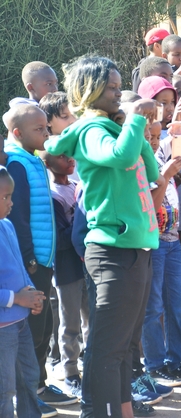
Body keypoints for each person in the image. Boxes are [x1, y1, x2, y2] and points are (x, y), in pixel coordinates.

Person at [45, 55, 160, 418]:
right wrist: (137, 118)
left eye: (117, 86)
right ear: (90, 90)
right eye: (110, 88)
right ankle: (97, 412)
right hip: (111, 251)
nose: (117, 92)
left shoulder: (113, 126)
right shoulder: (92, 129)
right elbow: (120, 157)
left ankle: (123, 411)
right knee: (107, 347)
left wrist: (132, 123)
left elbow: (150, 166)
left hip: (135, 249)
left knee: (125, 345)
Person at [3, 105, 77, 414]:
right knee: (31, 332)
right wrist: (31, 260)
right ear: (18, 133)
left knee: (41, 328)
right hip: (31, 264)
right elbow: (18, 216)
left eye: (47, 128)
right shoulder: (17, 165)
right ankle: (27, 394)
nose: (46, 134)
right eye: (40, 130)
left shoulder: (34, 160)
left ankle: (37, 389)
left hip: (42, 260)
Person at [141, 119, 181, 388]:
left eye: (157, 135)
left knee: (176, 304)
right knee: (154, 307)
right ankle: (155, 365)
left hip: (172, 240)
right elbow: (150, 210)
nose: (154, 140)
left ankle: (176, 361)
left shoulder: (159, 156)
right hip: (153, 244)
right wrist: (165, 176)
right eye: (148, 135)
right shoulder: (137, 166)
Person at [40, 150, 89, 399]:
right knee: (70, 323)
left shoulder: (79, 186)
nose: (70, 160)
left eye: (71, 156)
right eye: (62, 157)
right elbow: (61, 238)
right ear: (47, 163)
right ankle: (71, 374)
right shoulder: (51, 196)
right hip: (67, 266)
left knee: (92, 319)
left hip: (88, 264)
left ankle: (92, 370)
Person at [0, 166, 46, 418]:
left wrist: (32, 293)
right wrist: (16, 298)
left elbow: (18, 265)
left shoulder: (7, 226)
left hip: (20, 322)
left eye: (11, 196)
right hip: (2, 329)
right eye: (5, 197)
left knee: (29, 378)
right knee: (4, 391)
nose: (11, 203)